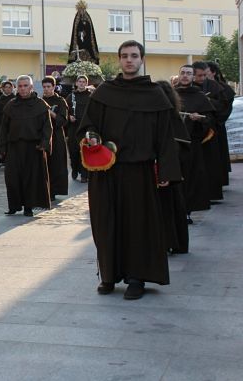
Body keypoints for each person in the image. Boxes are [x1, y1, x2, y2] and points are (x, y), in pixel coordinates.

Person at [77, 40, 181, 300]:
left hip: (139, 172)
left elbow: (166, 137)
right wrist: (91, 137)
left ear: (142, 59)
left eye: (134, 55)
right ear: (119, 59)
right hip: (106, 171)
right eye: (124, 56)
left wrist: (166, 172)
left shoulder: (155, 95)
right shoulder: (104, 92)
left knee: (138, 226)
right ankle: (109, 276)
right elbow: (88, 125)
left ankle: (137, 278)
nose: (129, 60)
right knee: (105, 223)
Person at [0, 75, 52, 217]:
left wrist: (44, 143)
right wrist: (2, 148)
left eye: (25, 85)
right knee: (12, 178)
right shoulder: (10, 105)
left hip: (33, 148)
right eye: (20, 86)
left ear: (31, 87)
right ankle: (14, 206)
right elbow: (3, 128)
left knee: (31, 178)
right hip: (14, 147)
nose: (22, 88)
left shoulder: (40, 105)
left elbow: (47, 127)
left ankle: (28, 206)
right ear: (17, 87)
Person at [176, 65, 216, 218]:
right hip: (174, 144)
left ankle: (187, 210)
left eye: (189, 73)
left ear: (193, 77)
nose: (185, 76)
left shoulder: (199, 96)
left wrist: (200, 118)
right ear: (179, 75)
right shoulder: (171, 94)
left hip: (192, 143)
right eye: (183, 73)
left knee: (191, 177)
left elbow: (210, 119)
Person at [156, 80, 191, 255]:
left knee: (171, 207)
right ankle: (172, 242)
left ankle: (172, 242)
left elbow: (180, 144)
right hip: (161, 166)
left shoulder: (170, 115)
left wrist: (167, 168)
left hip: (170, 168)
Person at [192, 62, 226, 201]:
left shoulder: (214, 87)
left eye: (204, 75)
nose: (202, 78)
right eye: (199, 76)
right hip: (193, 132)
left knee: (211, 163)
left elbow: (223, 105)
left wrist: (207, 101)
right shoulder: (188, 88)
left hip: (210, 130)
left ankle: (212, 194)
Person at [41, 76, 69, 201]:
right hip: (42, 136)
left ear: (53, 87)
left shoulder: (61, 101)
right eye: (44, 87)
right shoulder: (39, 101)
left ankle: (54, 190)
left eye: (49, 87)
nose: (46, 89)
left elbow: (63, 120)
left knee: (56, 164)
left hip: (56, 136)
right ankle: (44, 190)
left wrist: (50, 112)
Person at [66, 75, 92, 183]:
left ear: (86, 83)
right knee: (73, 151)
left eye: (83, 82)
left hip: (85, 127)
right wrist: (69, 117)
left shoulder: (91, 96)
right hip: (73, 127)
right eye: (79, 81)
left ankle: (84, 175)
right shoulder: (70, 96)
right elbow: (65, 111)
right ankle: (75, 169)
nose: (81, 83)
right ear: (76, 83)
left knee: (85, 150)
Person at [0, 81, 15, 168]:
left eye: (9, 87)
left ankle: (9, 160)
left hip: (11, 125)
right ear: (3, 88)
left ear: (12, 88)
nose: (8, 89)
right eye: (6, 87)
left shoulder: (15, 99)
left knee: (10, 142)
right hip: (0, 124)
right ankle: (1, 160)